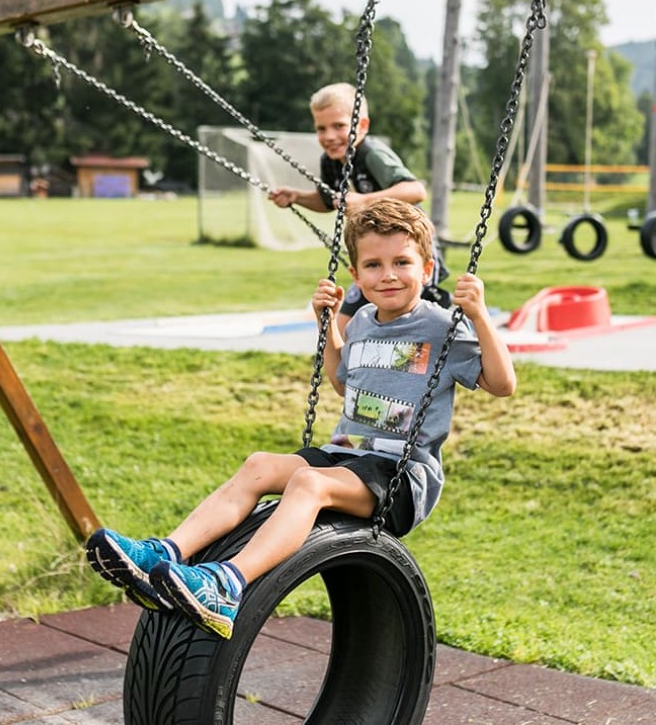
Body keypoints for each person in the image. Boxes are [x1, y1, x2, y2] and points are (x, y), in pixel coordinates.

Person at [86, 199, 515, 641]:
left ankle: (227, 586)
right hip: (346, 456)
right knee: (259, 465)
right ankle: (163, 553)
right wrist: (326, 324)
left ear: (426, 269)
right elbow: (343, 382)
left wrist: (479, 315)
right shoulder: (364, 321)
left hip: (398, 477)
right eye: (373, 264)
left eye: (401, 262)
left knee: (308, 484)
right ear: (356, 276)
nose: (387, 275)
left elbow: (502, 384)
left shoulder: (443, 326)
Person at [269, 82, 451, 332]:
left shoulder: (371, 154)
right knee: (343, 326)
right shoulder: (331, 162)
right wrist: (297, 197)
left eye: (339, 126)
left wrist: (365, 200)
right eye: (321, 128)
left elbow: (415, 190)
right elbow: (328, 201)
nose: (329, 136)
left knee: (422, 322)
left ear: (362, 126)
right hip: (375, 257)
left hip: (410, 253)